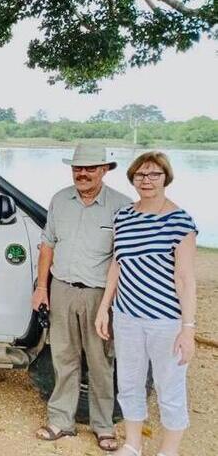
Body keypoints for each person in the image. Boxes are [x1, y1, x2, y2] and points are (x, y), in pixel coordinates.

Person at [95, 152, 198, 456]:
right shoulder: (124, 216)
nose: (147, 180)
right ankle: (132, 444)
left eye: (154, 174)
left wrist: (188, 329)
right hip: (127, 316)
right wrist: (105, 307)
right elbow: (117, 263)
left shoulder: (180, 222)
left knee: (169, 388)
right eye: (140, 175)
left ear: (166, 178)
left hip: (165, 321)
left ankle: (169, 450)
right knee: (128, 382)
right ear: (132, 180)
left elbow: (185, 279)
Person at [32, 144, 131, 452]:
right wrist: (41, 288)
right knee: (63, 357)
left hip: (99, 295)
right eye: (78, 168)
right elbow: (47, 246)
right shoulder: (60, 200)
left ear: (104, 170)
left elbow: (122, 258)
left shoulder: (121, 206)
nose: (82, 173)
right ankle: (61, 420)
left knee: (101, 362)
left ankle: (103, 426)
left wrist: (111, 303)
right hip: (62, 289)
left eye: (90, 168)